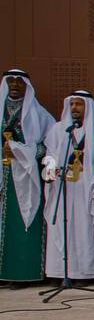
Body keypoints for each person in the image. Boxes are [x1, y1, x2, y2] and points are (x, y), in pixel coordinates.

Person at [41, 90, 94, 280]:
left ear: (88, 107)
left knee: (85, 229)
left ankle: (86, 273)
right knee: (64, 228)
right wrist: (51, 171)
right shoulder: (58, 130)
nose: (74, 108)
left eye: (79, 104)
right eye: (71, 104)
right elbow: (50, 156)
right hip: (63, 187)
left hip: (86, 187)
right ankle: (62, 273)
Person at [0, 69, 54, 286]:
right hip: (2, 174)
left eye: (19, 82)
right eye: (10, 81)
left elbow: (48, 147)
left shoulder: (39, 114)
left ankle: (23, 274)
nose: (14, 85)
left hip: (26, 177)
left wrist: (23, 152)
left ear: (27, 87)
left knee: (25, 222)